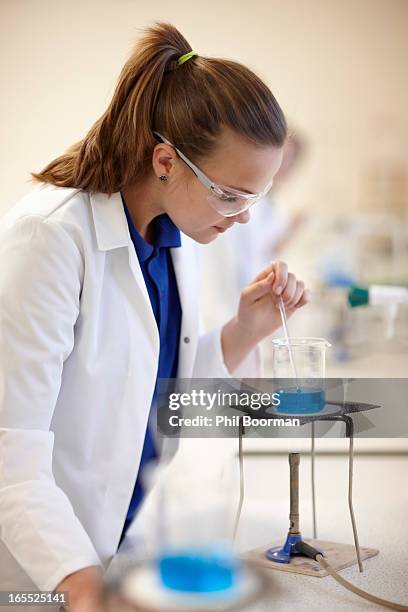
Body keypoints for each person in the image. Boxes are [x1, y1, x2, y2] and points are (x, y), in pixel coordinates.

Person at [0, 22, 310, 612]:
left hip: (127, 554)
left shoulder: (172, 236)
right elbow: (10, 462)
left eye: (256, 197)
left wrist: (247, 331)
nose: (243, 218)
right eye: (231, 194)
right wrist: (83, 589)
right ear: (166, 160)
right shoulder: (48, 239)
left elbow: (163, 399)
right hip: (36, 580)